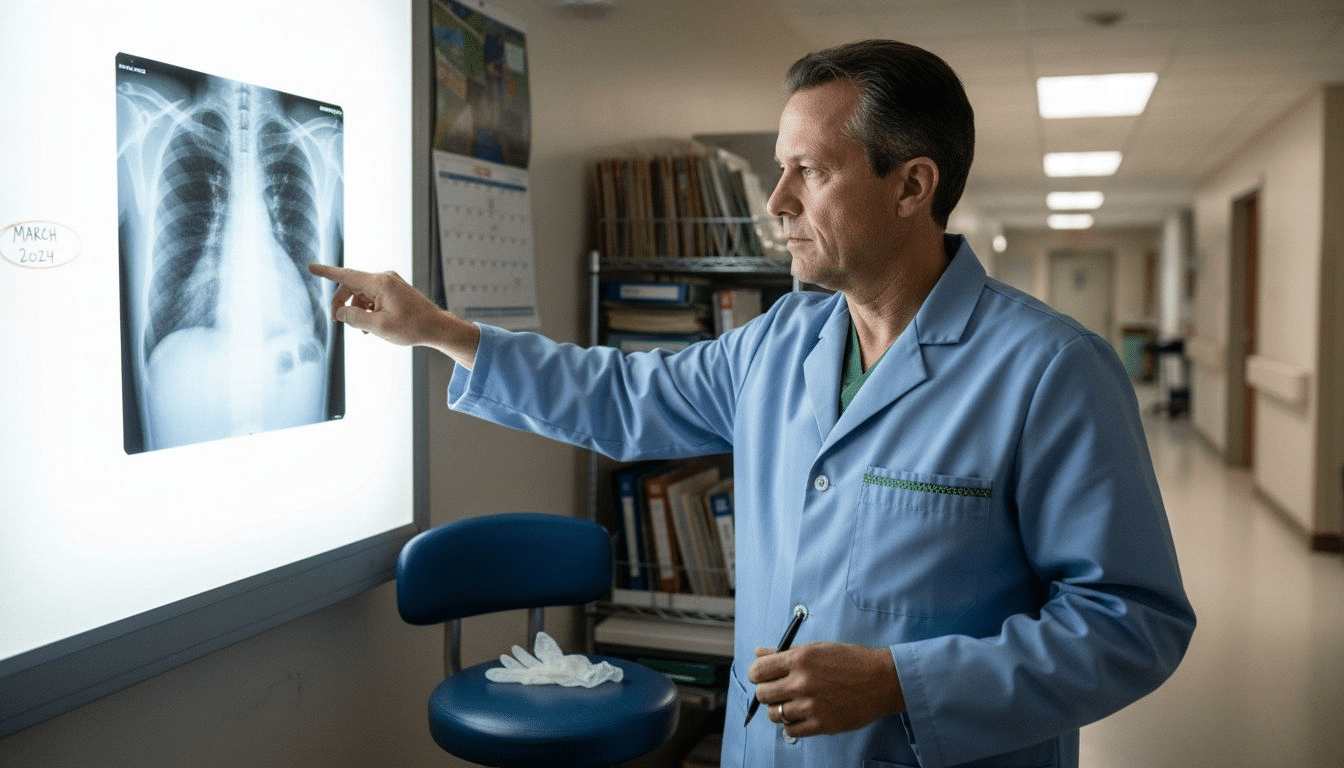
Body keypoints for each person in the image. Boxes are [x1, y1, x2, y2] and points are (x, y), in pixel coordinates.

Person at [312, 39, 1194, 768]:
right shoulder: (781, 344)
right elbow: (620, 395)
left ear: (912, 185)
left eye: (808, 171)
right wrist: (438, 330)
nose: (777, 204)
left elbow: (1132, 625)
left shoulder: (1050, 371)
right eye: (780, 171)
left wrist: (898, 682)